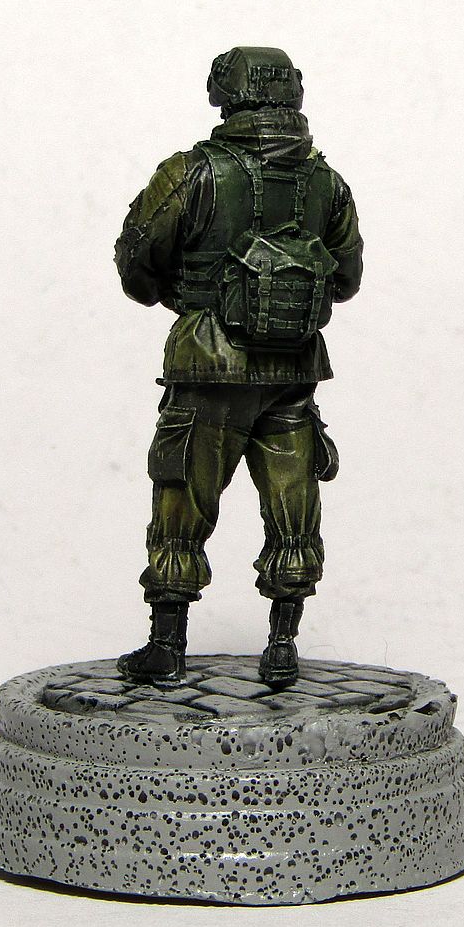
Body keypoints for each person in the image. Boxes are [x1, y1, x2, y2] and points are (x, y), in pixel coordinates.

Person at [114, 46, 363, 686]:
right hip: (293, 372)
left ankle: (167, 645)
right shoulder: (327, 183)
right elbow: (346, 278)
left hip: (207, 365)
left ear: (225, 93)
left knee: (181, 499)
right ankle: (283, 646)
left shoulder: (190, 173)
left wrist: (185, 295)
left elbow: (137, 261)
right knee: (293, 502)